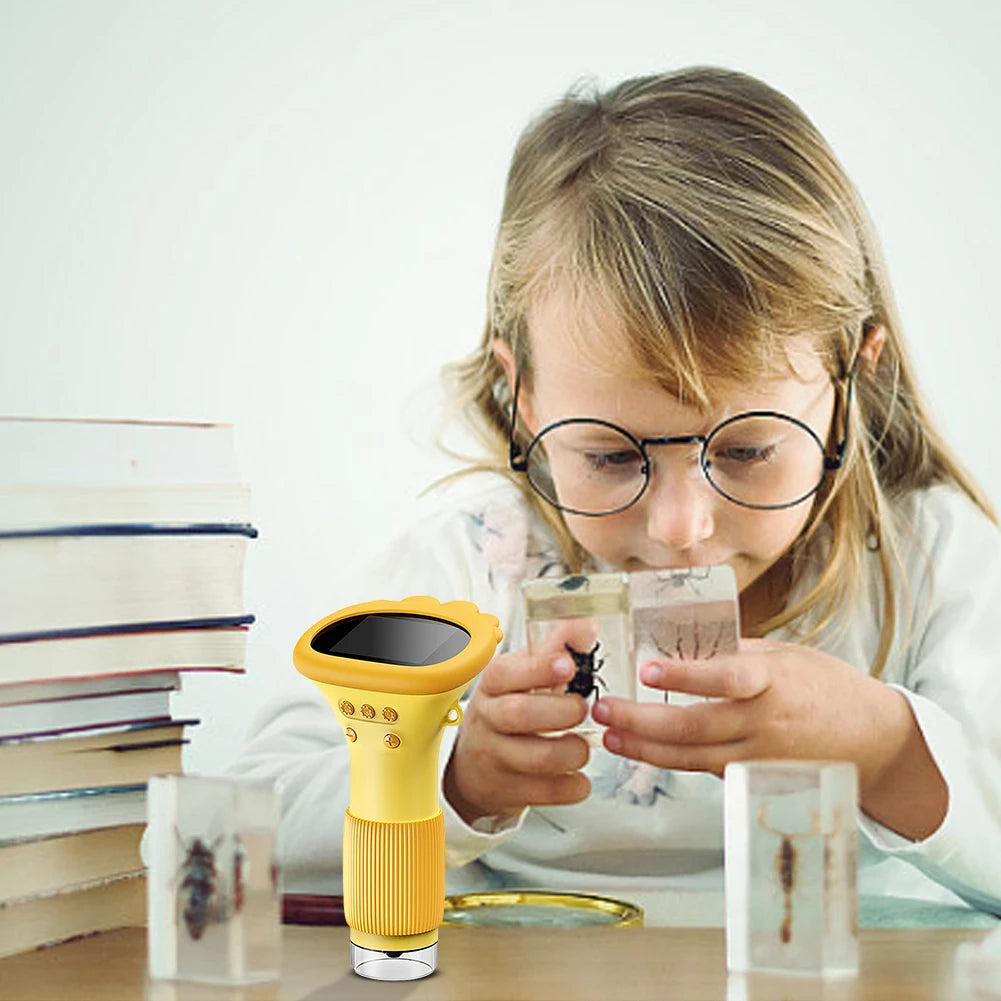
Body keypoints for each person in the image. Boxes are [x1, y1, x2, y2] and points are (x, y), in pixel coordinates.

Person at [230, 66, 1001, 916]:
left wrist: (887, 750)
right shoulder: (469, 562)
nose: (679, 527)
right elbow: (235, 832)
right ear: (523, 397)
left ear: (854, 379)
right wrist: (453, 776)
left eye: (746, 449)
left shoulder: (932, 561)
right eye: (608, 456)